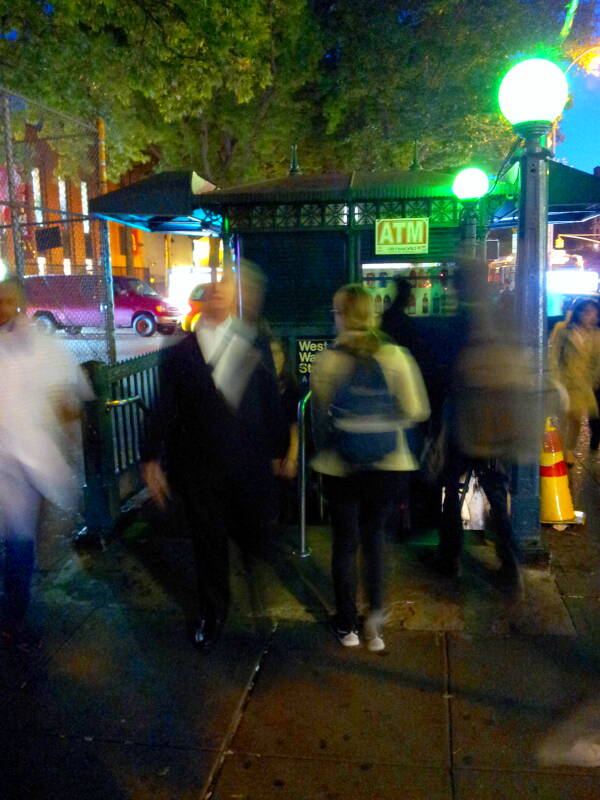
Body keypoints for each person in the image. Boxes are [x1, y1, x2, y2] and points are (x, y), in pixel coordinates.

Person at [141, 271, 289, 649]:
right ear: (202, 302)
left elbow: (270, 398)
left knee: (254, 533)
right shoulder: (180, 352)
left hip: (249, 461)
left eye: (225, 291)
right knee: (208, 543)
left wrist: (280, 448)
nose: (218, 297)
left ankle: (256, 593)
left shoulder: (251, 341)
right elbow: (164, 406)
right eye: (212, 292)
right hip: (200, 465)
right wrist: (151, 457)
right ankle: (213, 611)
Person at [310, 284, 430, 651]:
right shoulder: (396, 356)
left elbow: (319, 417)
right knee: (376, 541)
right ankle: (374, 625)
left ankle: (346, 625)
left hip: (340, 465)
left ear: (344, 315)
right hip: (389, 464)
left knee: (345, 544)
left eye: (335, 312)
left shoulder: (328, 360)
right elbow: (417, 411)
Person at [0, 276, 92, 645]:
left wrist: (68, 447)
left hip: (26, 464)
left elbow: (65, 399)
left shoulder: (41, 344)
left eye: (7, 300)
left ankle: (13, 615)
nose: (2, 307)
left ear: (19, 303)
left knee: (20, 541)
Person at [549, 298, 600, 463]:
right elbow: (554, 353)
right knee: (563, 419)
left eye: (593, 313)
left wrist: (593, 380)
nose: (590, 316)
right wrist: (555, 379)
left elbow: (596, 361)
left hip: (582, 385)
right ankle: (562, 450)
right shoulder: (563, 329)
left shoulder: (597, 335)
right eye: (586, 311)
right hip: (564, 382)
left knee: (576, 420)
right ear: (578, 312)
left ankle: (569, 448)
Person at [270, 338, 300, 522]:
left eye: (277, 353)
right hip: (264, 452)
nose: (274, 358)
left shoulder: (291, 386)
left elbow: (295, 425)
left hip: (284, 449)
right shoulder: (260, 384)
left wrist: (291, 457)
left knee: (285, 502)